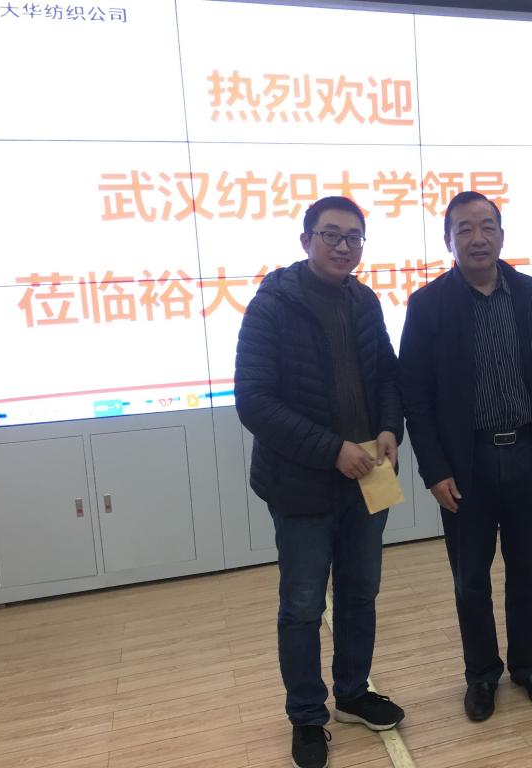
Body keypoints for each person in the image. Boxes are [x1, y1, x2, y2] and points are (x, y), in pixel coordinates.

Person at [234, 196, 405, 768]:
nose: (343, 246)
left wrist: (389, 428)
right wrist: (333, 450)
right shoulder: (272, 305)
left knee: (360, 594)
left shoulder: (364, 300)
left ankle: (352, 693)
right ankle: (307, 715)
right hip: (301, 485)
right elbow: (254, 401)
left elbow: (387, 375)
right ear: (306, 239)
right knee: (304, 605)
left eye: (354, 237)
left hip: (369, 479)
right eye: (331, 234)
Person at [399, 191, 532, 722]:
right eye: (465, 229)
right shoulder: (427, 305)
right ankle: (481, 675)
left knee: (531, 573)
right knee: (470, 580)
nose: (477, 238)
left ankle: (528, 666)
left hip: (528, 454)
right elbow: (415, 397)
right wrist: (434, 470)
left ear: (501, 234)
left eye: (487, 227)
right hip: (466, 464)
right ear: (448, 240)